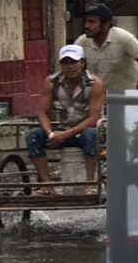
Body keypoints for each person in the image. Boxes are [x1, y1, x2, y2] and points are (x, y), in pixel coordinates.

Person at [26, 45, 106, 196]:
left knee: (90, 134)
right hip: (62, 130)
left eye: (73, 62)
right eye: (65, 63)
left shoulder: (95, 84)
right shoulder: (51, 82)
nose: (70, 67)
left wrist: (66, 134)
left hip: (87, 131)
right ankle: (46, 184)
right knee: (33, 136)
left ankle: (90, 183)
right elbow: (42, 112)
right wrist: (51, 133)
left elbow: (94, 117)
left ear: (82, 63)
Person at [75, 3, 138, 91]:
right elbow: (71, 65)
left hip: (123, 96)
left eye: (92, 22)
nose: (86, 26)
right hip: (96, 96)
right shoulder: (82, 42)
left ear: (106, 24)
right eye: (86, 21)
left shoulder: (123, 37)